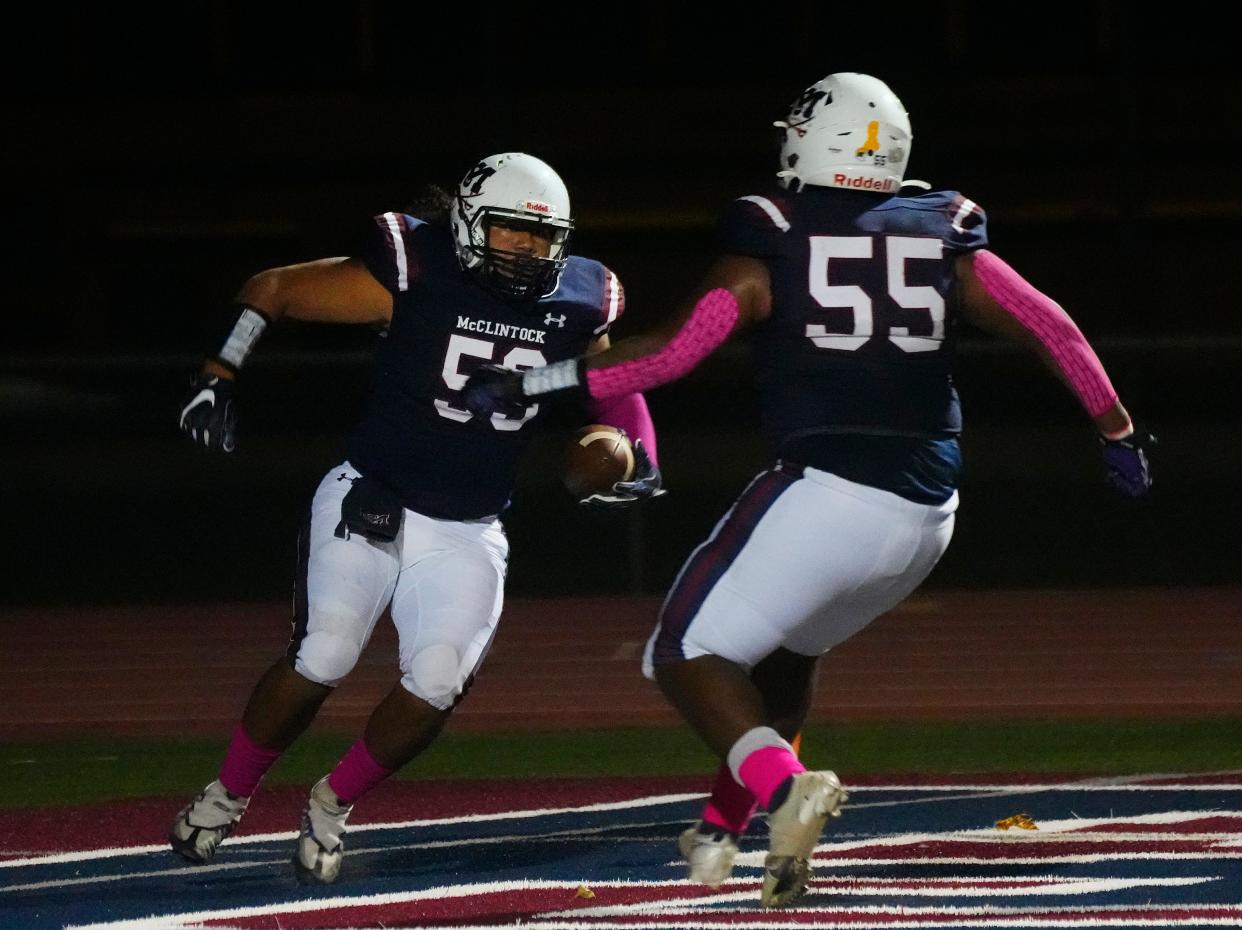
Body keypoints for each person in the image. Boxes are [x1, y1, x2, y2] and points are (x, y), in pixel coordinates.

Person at [462, 73, 1155, 907]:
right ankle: (727, 827)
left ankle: (788, 789)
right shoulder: (942, 231)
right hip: (930, 511)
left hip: (830, 489)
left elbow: (672, 354)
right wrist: (1117, 430)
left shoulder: (777, 232)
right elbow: (1050, 322)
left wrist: (540, 383)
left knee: (683, 653)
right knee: (786, 653)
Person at [169, 152, 663, 883]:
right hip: (374, 494)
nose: (527, 251)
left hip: (467, 523)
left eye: (541, 237)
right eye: (509, 233)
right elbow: (272, 289)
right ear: (467, 224)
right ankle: (226, 794)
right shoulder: (415, 268)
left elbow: (609, 383)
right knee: (325, 654)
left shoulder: (580, 300)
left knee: (436, 679)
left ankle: (332, 804)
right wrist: (217, 375)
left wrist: (633, 453)